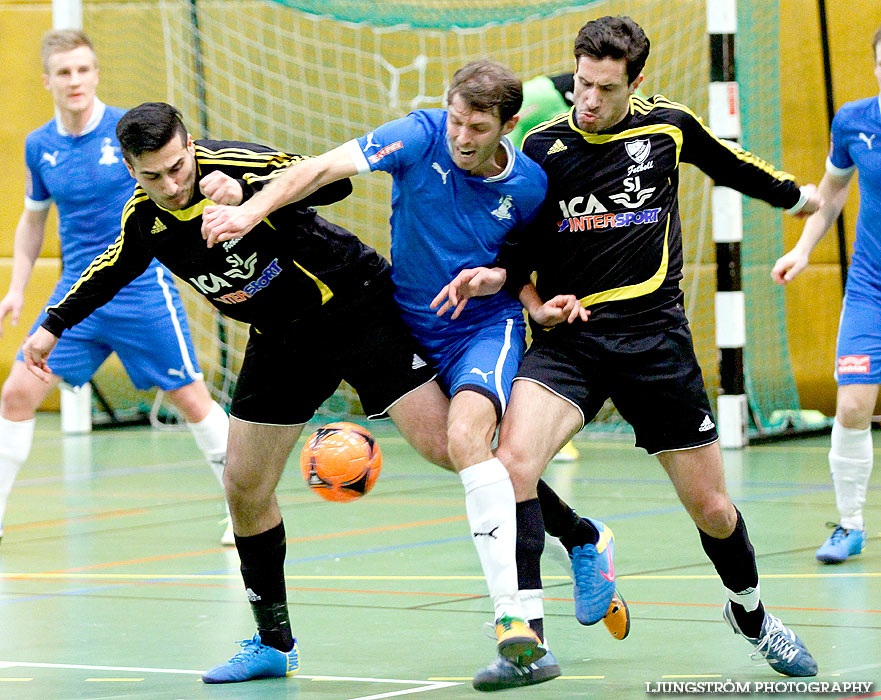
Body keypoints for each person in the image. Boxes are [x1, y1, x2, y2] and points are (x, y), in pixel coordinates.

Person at [200, 60, 625, 690]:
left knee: (467, 440)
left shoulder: (532, 185)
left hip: (484, 327)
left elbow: (525, 267)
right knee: (453, 452)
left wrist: (524, 297)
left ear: (507, 125)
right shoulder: (419, 135)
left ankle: (513, 622)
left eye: (476, 127)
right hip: (411, 320)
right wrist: (252, 209)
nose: (460, 136)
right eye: (454, 119)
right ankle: (582, 536)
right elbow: (320, 169)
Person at [436, 16, 823, 681]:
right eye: (581, 84)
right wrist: (505, 283)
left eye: (604, 89)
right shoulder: (541, 145)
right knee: (512, 466)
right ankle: (527, 639)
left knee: (713, 510)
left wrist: (797, 198)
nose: (587, 101)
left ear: (634, 82)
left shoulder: (666, 127)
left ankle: (751, 612)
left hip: (654, 343)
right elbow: (520, 253)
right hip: (571, 343)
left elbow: (729, 166)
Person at [0, 30, 231, 547]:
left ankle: (246, 508)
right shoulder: (40, 145)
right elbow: (33, 222)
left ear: (96, 73)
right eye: (64, 72)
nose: (75, 80)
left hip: (139, 292)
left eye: (83, 69)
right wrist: (17, 288)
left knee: (191, 398)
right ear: (48, 81)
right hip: (76, 300)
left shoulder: (130, 135)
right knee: (16, 393)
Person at [771, 24, 881, 565]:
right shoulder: (854, 121)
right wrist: (804, 249)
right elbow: (834, 188)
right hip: (871, 288)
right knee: (854, 403)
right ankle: (850, 524)